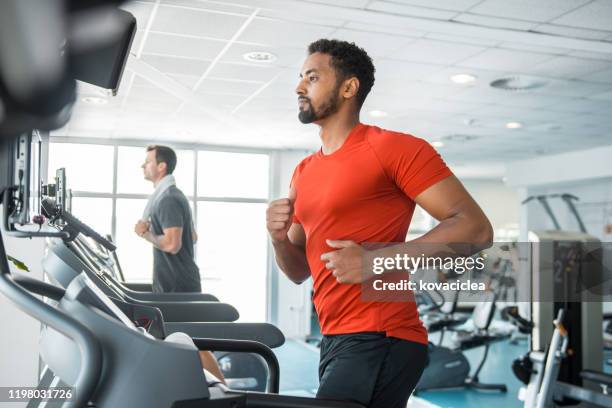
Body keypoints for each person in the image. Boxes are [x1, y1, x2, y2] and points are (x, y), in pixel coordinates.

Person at [266, 39, 493, 408]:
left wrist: (376, 261)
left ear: (348, 87)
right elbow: (297, 271)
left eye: (312, 76)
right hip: (336, 336)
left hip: (383, 333)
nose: (298, 86)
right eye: (300, 77)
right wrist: (278, 239)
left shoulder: (392, 149)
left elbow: (476, 229)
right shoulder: (304, 171)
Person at [135, 145, 201, 293]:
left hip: (176, 287)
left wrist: (145, 234)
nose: (143, 165)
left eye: (148, 161)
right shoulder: (171, 195)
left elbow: (172, 245)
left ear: (161, 166)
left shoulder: (168, 199)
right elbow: (193, 237)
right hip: (176, 283)